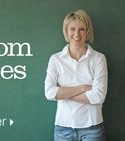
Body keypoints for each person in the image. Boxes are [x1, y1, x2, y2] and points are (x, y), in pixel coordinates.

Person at [44, 10, 108, 141]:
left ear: (88, 32)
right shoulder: (56, 59)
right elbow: (49, 93)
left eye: (82, 29)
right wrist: (83, 88)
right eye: (72, 29)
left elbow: (99, 96)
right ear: (66, 31)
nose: (77, 34)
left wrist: (63, 93)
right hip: (63, 127)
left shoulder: (98, 59)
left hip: (92, 128)